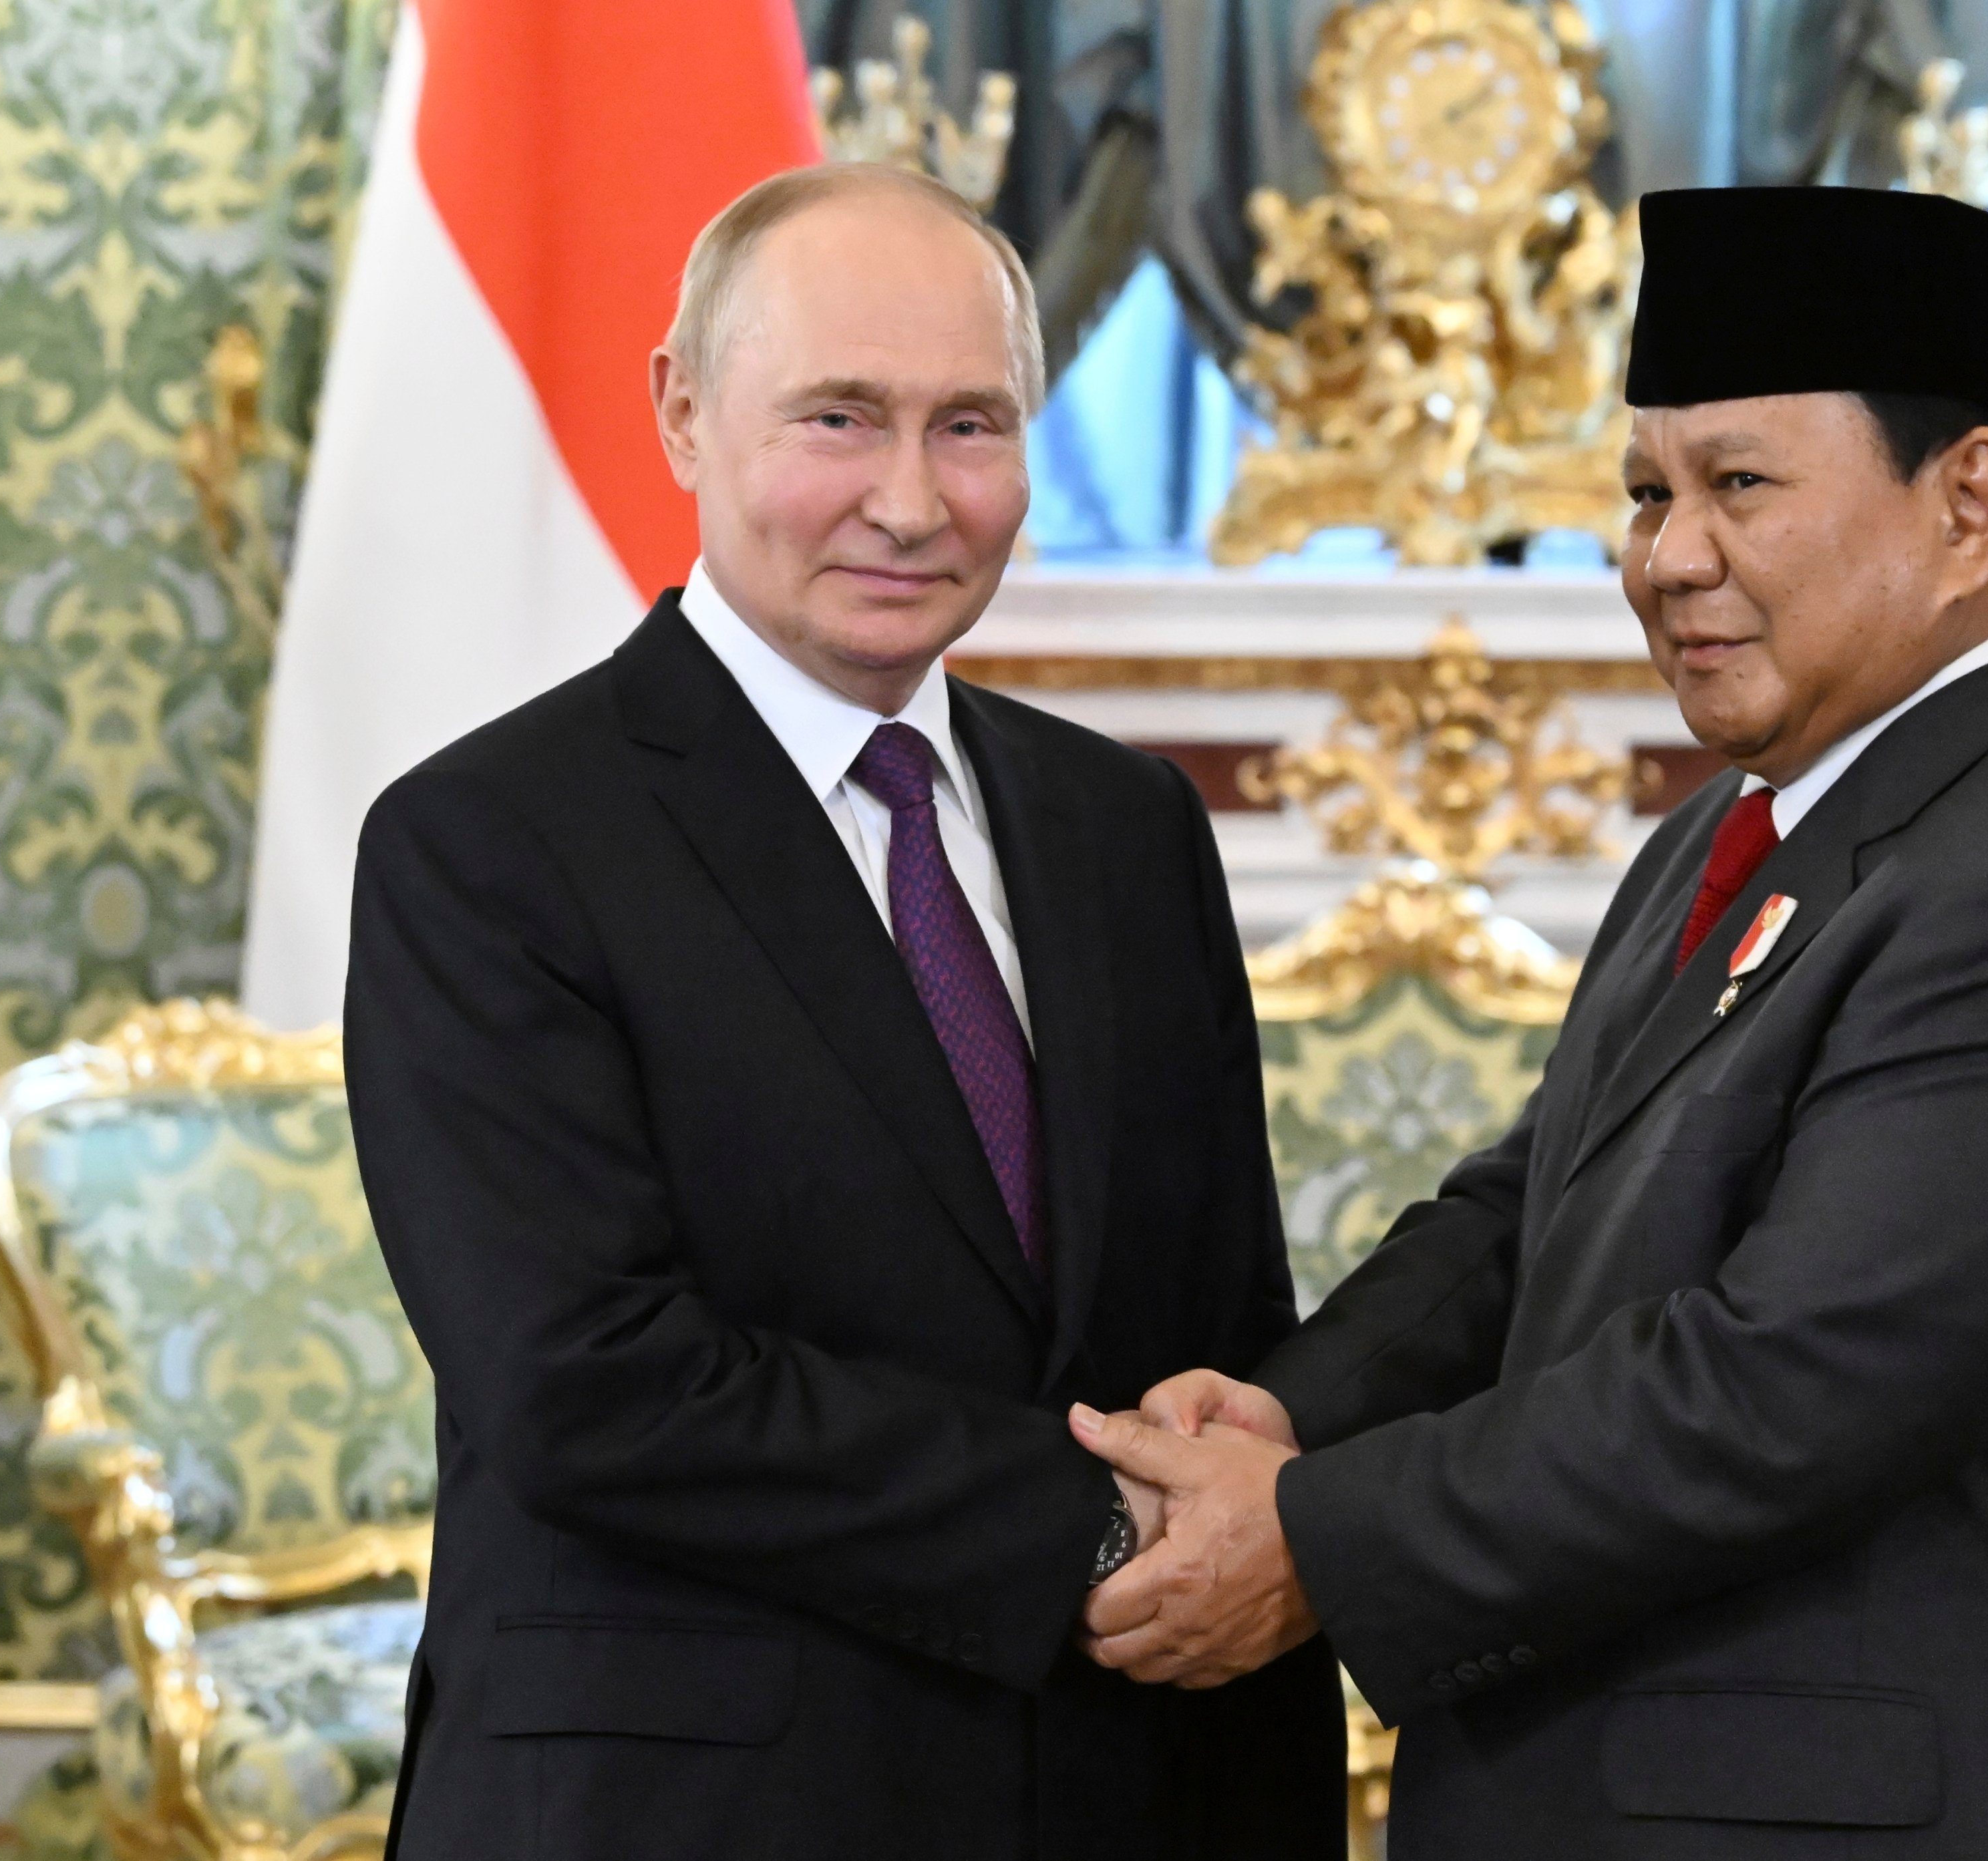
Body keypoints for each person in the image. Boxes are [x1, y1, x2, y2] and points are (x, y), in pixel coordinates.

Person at [1072, 186, 1988, 1860]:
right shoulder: (1748, 820)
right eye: (1644, 490)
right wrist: (1295, 1411)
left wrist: (1311, 1532)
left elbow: (1775, 1386)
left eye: (1737, 484)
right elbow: (1533, 1214)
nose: (1664, 558)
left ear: (1967, 504)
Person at [344, 163, 1343, 1861]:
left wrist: (1278, 1525)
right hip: (697, 1803)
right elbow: (588, 1384)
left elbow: (1221, 1320)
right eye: (837, 418)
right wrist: (1108, 1531)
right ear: (680, 408)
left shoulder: (1124, 827)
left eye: (970, 424)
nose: (909, 500)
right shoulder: (490, 842)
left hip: (1131, 1790)